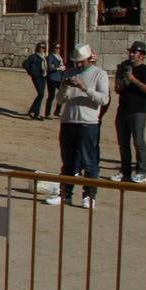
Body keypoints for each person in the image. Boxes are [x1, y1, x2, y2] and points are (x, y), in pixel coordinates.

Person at [45, 44, 109, 208]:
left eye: (81, 61)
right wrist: (65, 86)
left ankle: (89, 195)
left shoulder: (99, 74)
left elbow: (104, 99)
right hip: (68, 121)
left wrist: (84, 87)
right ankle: (65, 194)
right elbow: (60, 100)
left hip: (88, 123)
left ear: (89, 59)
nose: (78, 65)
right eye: (76, 62)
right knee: (68, 161)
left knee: (89, 162)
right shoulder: (69, 73)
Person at [112, 40, 146, 183]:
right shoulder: (124, 67)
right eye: (130, 51)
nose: (131, 54)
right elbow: (118, 89)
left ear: (142, 55)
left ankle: (142, 171)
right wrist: (121, 81)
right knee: (123, 143)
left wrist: (133, 79)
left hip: (138, 112)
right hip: (123, 110)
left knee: (138, 142)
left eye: (134, 52)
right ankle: (125, 171)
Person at [23, 42, 48, 119]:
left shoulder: (44, 57)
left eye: (44, 47)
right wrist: (31, 72)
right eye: (41, 47)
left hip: (43, 77)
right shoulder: (34, 56)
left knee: (41, 95)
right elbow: (25, 64)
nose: (42, 49)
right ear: (38, 48)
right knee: (41, 94)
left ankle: (36, 113)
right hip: (37, 77)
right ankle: (33, 111)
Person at [45, 43, 66, 119]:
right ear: (53, 48)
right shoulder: (50, 57)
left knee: (62, 94)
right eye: (56, 48)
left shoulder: (59, 56)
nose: (58, 49)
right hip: (51, 79)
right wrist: (58, 68)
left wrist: (62, 67)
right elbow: (50, 68)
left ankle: (57, 111)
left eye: (59, 48)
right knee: (51, 96)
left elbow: (60, 65)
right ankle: (47, 113)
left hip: (59, 78)